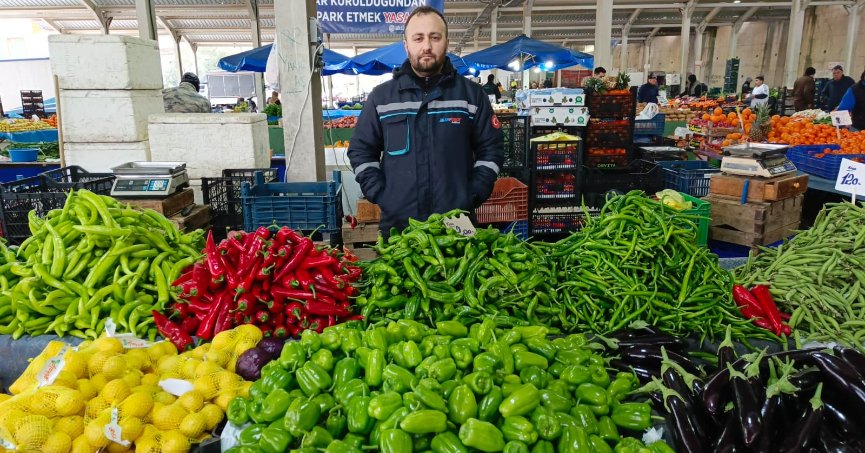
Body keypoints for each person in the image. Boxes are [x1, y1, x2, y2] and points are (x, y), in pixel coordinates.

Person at [347, 6, 503, 236]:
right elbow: (361, 150)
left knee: (462, 272)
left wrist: (472, 193)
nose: (427, 46)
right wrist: (381, 194)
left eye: (435, 37)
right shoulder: (382, 98)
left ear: (446, 42)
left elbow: (492, 149)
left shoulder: (471, 96)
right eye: (418, 38)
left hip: (458, 223)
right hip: (399, 225)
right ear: (406, 45)